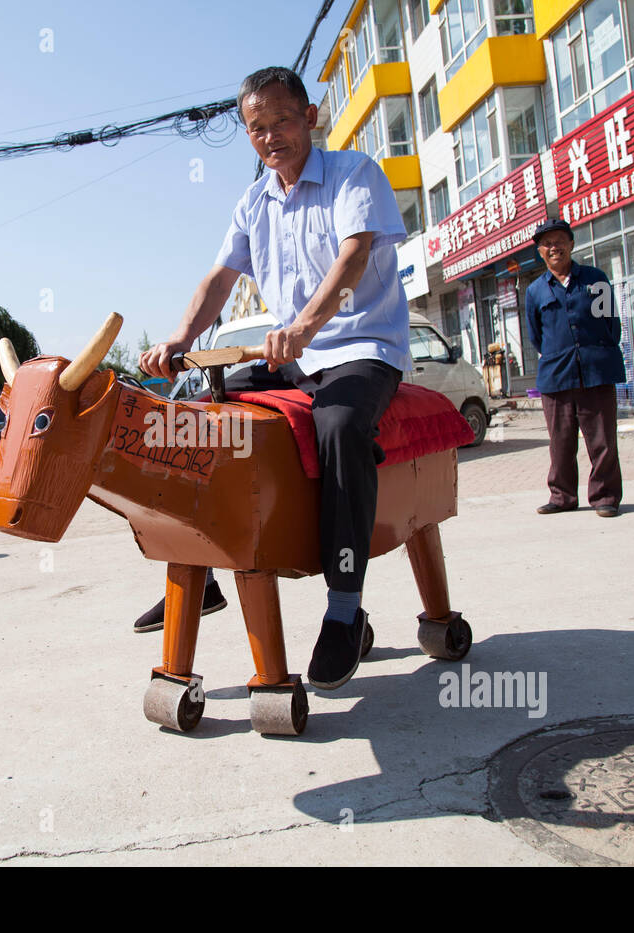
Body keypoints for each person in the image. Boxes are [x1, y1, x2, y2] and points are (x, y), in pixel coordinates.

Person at [138, 66, 410, 690]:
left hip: (363, 348)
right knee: (192, 416)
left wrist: (308, 326)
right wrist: (179, 340)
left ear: (310, 116)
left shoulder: (354, 174)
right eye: (256, 128)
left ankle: (344, 610)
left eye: (282, 121)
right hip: (296, 357)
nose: (271, 138)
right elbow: (220, 279)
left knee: (339, 425)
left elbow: (355, 256)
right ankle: (199, 577)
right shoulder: (254, 200)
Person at [524, 218, 626, 518]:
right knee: (560, 442)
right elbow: (535, 334)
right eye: (547, 243)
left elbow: (612, 324)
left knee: (602, 439)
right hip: (556, 375)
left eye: (559, 240)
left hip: (597, 371)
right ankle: (562, 496)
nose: (554, 247)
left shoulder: (595, 278)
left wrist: (595, 352)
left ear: (571, 243)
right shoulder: (535, 291)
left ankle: (605, 496)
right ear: (540, 252)